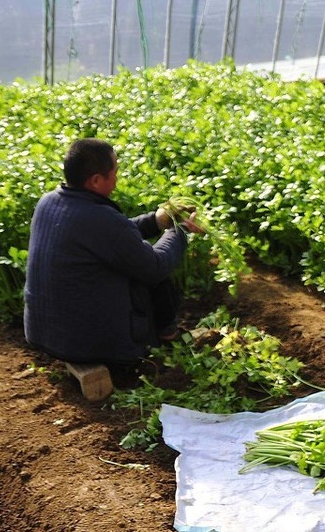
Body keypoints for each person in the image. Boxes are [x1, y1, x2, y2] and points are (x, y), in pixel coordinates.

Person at [24, 137, 202, 367]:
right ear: (96, 180)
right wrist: (183, 230)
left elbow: (113, 236)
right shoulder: (100, 219)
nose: (117, 180)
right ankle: (162, 338)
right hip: (88, 345)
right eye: (115, 172)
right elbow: (155, 267)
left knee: (135, 258)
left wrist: (156, 221)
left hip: (44, 333)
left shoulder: (49, 201)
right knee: (151, 272)